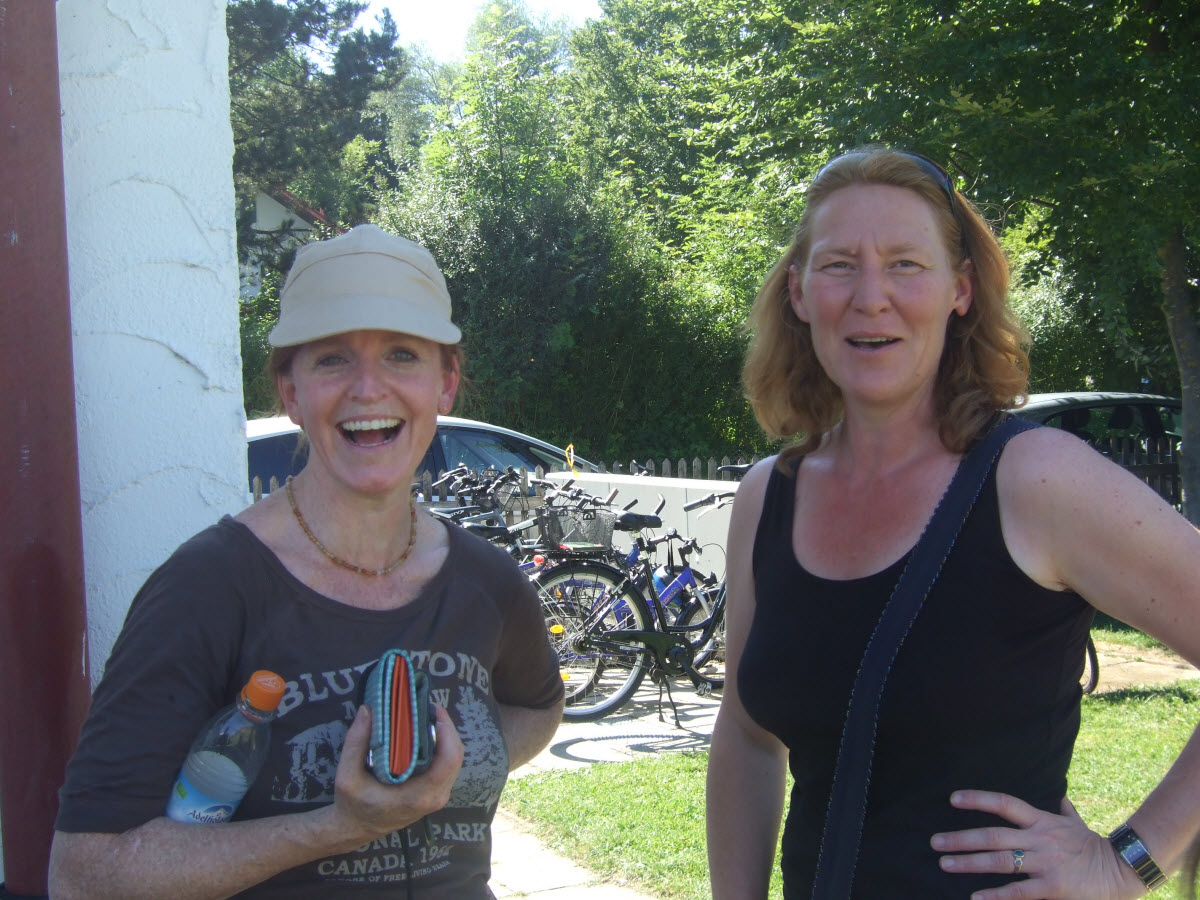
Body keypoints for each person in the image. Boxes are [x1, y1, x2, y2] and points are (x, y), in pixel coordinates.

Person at [706, 147, 1200, 898]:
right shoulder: (767, 497)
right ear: (799, 292)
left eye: (905, 264)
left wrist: (1126, 863)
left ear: (959, 290)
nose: (871, 297)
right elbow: (746, 735)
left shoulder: (1036, 481)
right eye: (840, 265)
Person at [49, 224, 566, 898]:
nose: (368, 389)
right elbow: (84, 873)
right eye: (331, 360)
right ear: (290, 392)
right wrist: (337, 826)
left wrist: (447, 764)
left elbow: (538, 706)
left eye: (402, 354)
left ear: (446, 384)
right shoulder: (208, 588)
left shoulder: (486, 582)